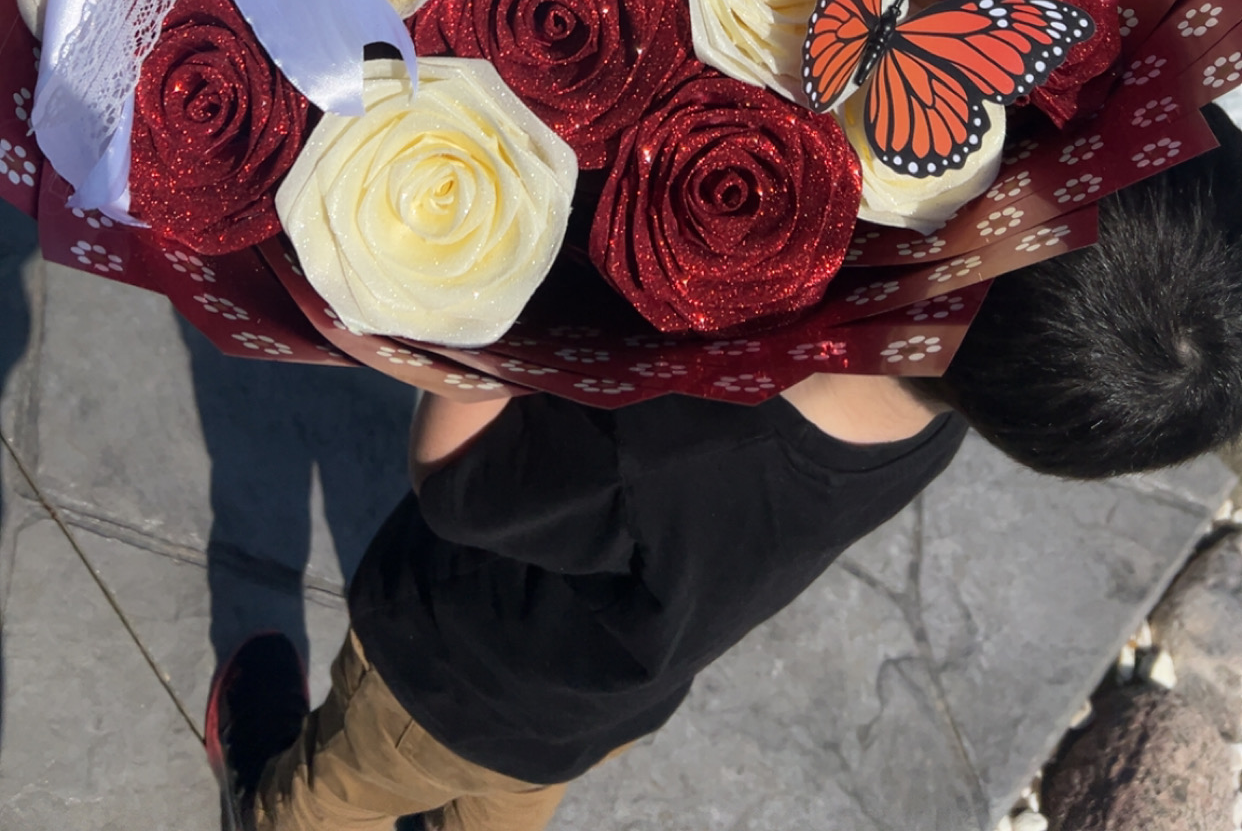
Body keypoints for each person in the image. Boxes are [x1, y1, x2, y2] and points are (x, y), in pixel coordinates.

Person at [206, 106, 1242, 831]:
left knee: (337, 792)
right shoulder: (946, 406)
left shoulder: (673, 447)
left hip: (445, 680)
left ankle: (268, 810)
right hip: (605, 707)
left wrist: (491, 299)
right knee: (505, 808)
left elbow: (455, 476)